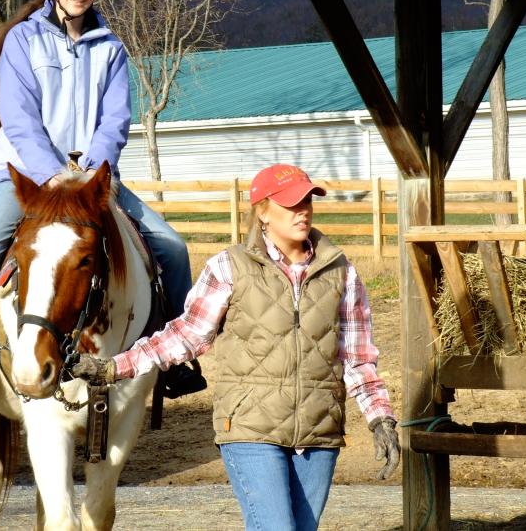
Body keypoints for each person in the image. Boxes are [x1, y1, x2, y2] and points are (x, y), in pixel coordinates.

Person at [0, 0, 202, 424]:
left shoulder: (111, 49)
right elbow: (18, 118)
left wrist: (92, 174)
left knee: (173, 247)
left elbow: (115, 120)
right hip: (26, 179)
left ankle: (176, 360)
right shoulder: (22, 40)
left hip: (91, 180)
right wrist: (51, 175)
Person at [72, 163, 401, 531]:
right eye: (291, 204)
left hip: (319, 431)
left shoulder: (342, 272)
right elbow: (187, 334)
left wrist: (380, 418)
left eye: (307, 201)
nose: (303, 211)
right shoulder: (230, 267)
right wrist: (115, 367)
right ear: (262, 211)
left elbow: (358, 359)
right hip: (248, 428)